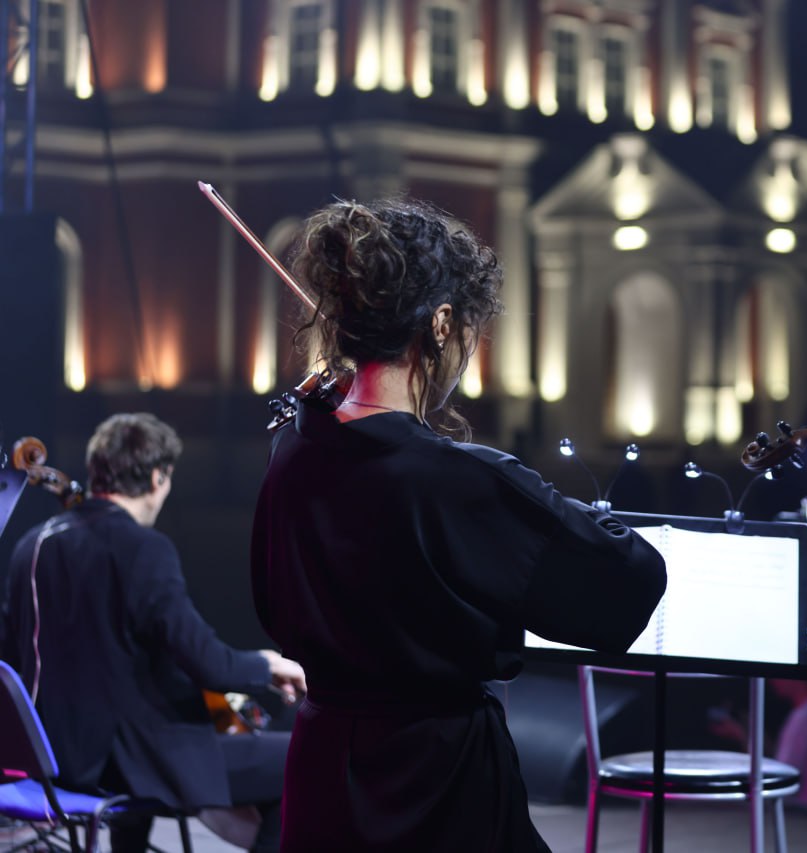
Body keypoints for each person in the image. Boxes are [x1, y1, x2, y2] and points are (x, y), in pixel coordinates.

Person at [250, 197, 667, 851]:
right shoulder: (459, 480)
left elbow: (273, 606)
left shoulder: (294, 449)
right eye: (469, 333)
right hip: (433, 787)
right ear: (441, 323)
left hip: (324, 772)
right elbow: (630, 581)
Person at [1, 412, 307, 853]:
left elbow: (14, 657)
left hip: (49, 762)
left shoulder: (34, 543)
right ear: (159, 476)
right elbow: (209, 664)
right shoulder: (144, 549)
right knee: (301, 759)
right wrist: (267, 664)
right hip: (126, 765)